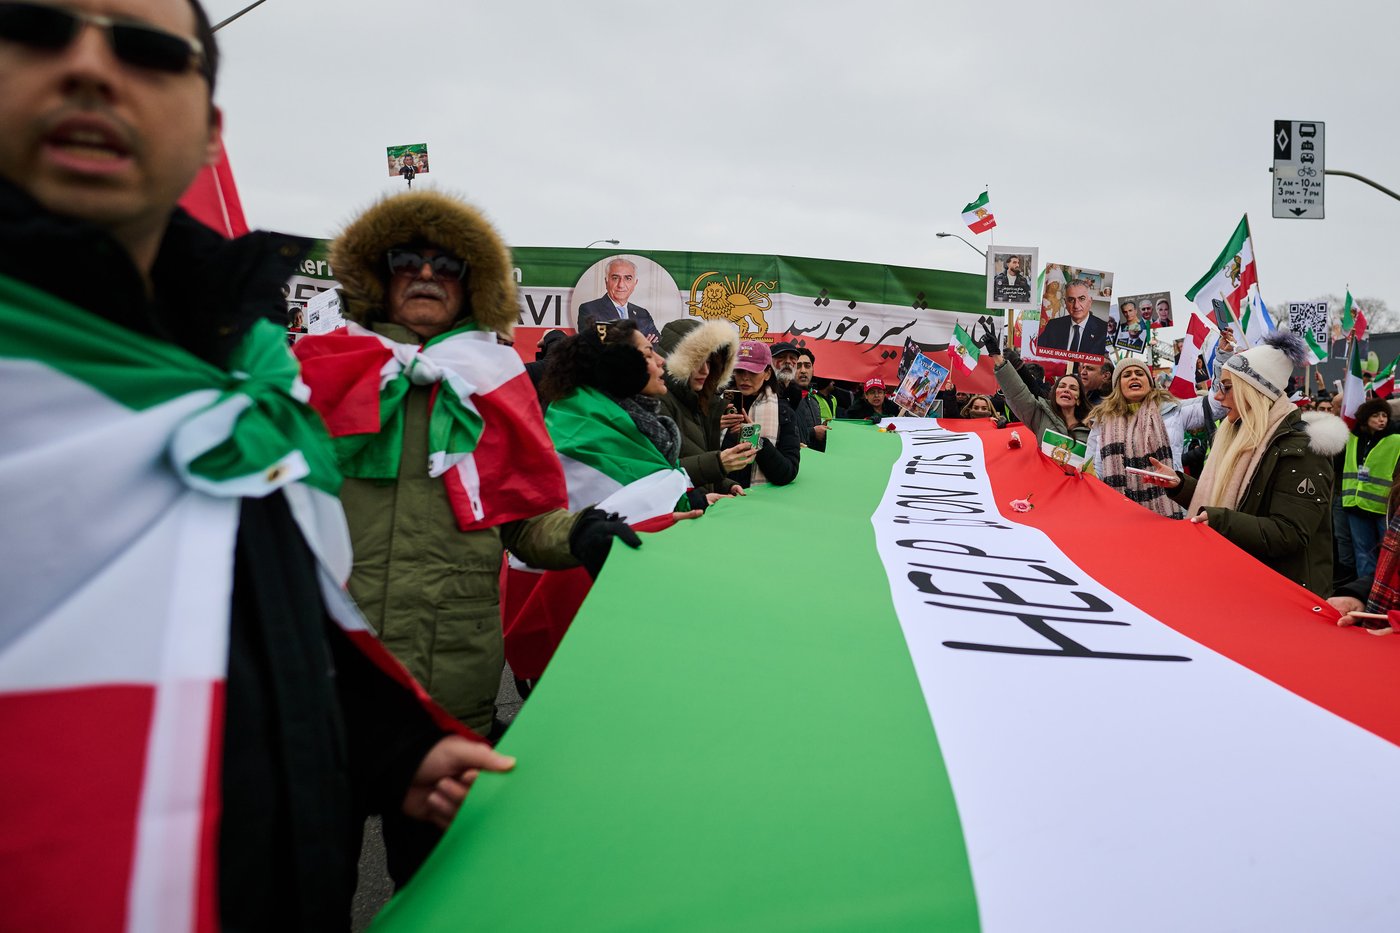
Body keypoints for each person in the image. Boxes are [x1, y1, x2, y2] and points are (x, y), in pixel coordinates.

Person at [0, 2, 518, 928]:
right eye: (34, 26)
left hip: (420, 691)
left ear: (209, 130)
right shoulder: (306, 371)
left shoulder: (243, 368)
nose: (89, 66)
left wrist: (387, 738)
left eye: (148, 50)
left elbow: (252, 586)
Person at [294, 190, 639, 882]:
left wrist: (579, 532)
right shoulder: (314, 373)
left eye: (447, 264)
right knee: (308, 890)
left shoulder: (496, 382)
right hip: (325, 680)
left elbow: (525, 520)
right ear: (377, 274)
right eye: (407, 259)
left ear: (471, 283)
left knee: (433, 891)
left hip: (449, 679)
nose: (427, 273)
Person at [1152, 332, 1345, 596]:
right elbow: (1234, 500)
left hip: (1283, 595)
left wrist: (1220, 521)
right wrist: (1180, 485)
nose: (1218, 397)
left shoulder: (1301, 449)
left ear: (1254, 391)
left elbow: (1289, 533)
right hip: (1245, 582)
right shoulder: (1242, 435)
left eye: (1227, 387)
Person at [656, 318, 750, 495]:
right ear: (676, 360)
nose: (705, 370)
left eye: (709, 362)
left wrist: (726, 485)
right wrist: (719, 463)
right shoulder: (658, 402)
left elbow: (694, 458)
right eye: (697, 361)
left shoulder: (699, 402)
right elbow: (658, 473)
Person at [1085, 360, 1187, 518]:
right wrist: (1086, 473)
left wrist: (1222, 356)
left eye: (1139, 373)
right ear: (1118, 385)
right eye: (1127, 375)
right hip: (1119, 513)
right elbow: (1094, 470)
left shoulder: (1174, 410)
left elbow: (1215, 405)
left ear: (1150, 382)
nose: (1134, 377)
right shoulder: (1102, 420)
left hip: (1166, 510)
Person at [720, 340, 800, 487]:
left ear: (767, 373)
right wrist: (711, 428)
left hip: (758, 498)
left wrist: (756, 439)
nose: (745, 377)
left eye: (753, 372)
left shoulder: (783, 412)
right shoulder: (716, 406)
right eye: (740, 371)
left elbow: (788, 473)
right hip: (718, 496)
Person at [1340, 398, 1399, 578]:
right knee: (1363, 552)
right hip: (1355, 503)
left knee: (1389, 551)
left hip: (1383, 506)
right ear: (1365, 418)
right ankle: (1364, 589)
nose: (1381, 419)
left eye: (1384, 415)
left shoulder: (1396, 439)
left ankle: (1383, 588)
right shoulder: (1351, 438)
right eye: (1376, 415)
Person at [990, 346, 1090, 446]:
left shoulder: (1092, 428)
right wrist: (998, 358)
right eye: (1062, 386)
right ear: (1055, 394)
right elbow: (1018, 394)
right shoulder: (1041, 416)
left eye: (1073, 388)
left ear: (1079, 399)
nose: (1066, 390)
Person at [576, 256, 659, 343]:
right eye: (615, 278)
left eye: (628, 278)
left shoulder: (643, 313)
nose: (621, 285)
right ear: (606, 282)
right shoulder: (589, 309)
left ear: (635, 283)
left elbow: (658, 343)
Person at [772, 340, 827, 451]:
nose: (803, 371)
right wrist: (813, 432)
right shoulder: (773, 395)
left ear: (813, 370)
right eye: (799, 366)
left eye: (807, 366)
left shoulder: (814, 400)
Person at [1038, 279, 1109, 355]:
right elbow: (1037, 352)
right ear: (1065, 302)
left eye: (1081, 299)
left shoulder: (1104, 330)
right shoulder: (1053, 326)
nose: (1076, 305)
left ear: (1090, 301)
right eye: (1071, 300)